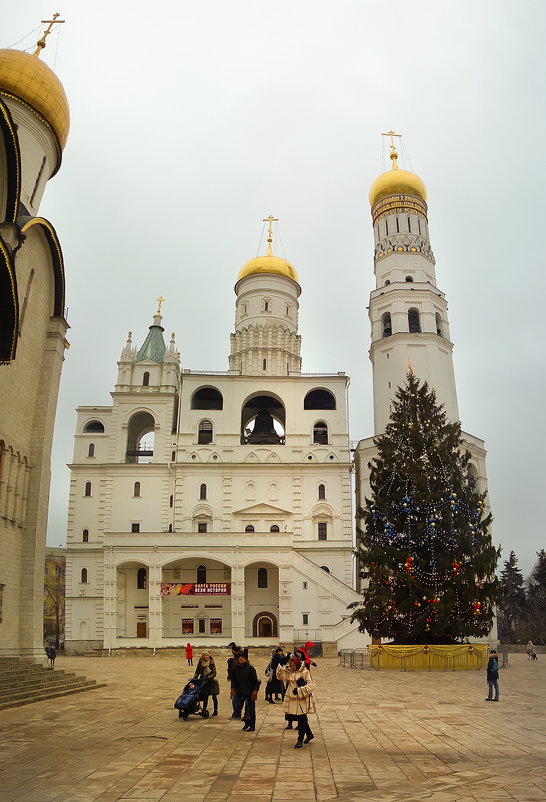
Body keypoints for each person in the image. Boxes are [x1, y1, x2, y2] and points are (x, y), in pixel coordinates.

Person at [276, 654, 316, 747]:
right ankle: (309, 734)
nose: (292, 667)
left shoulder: (305, 672)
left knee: (301, 720)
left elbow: (311, 685)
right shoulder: (288, 671)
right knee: (301, 719)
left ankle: (299, 740)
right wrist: (281, 665)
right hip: (291, 699)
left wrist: (299, 690)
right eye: (291, 665)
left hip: (301, 699)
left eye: (294, 665)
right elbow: (280, 676)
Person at [230, 648, 260, 732]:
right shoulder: (236, 669)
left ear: (246, 659)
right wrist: (232, 689)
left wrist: (255, 691)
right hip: (239, 692)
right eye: (240, 657)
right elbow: (234, 680)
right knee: (237, 707)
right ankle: (246, 722)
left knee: (250, 710)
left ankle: (252, 725)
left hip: (249, 692)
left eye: (242, 658)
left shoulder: (251, 669)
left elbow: (256, 681)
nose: (240, 659)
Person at [192, 651, 219, 716]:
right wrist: (194, 679)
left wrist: (208, 677)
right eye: (205, 655)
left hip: (211, 681)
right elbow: (197, 671)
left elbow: (214, 673)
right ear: (202, 656)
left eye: (207, 655)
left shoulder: (211, 662)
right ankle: (204, 709)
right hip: (203, 681)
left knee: (214, 696)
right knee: (205, 696)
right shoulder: (200, 662)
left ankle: (215, 710)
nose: (206, 657)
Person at [227, 643, 242, 718]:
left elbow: (233, 674)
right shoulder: (238, 658)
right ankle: (237, 713)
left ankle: (236, 713)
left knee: (236, 699)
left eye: (232, 650)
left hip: (238, 682)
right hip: (239, 682)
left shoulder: (236, 660)